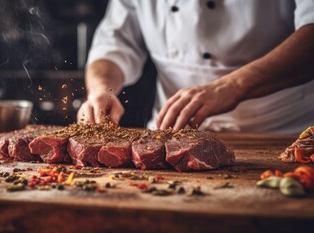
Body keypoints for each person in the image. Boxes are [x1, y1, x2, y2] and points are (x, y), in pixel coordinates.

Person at [77, 0, 314, 134]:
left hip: (283, 132)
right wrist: (101, 89)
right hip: (169, 134)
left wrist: (232, 85)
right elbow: (114, 43)